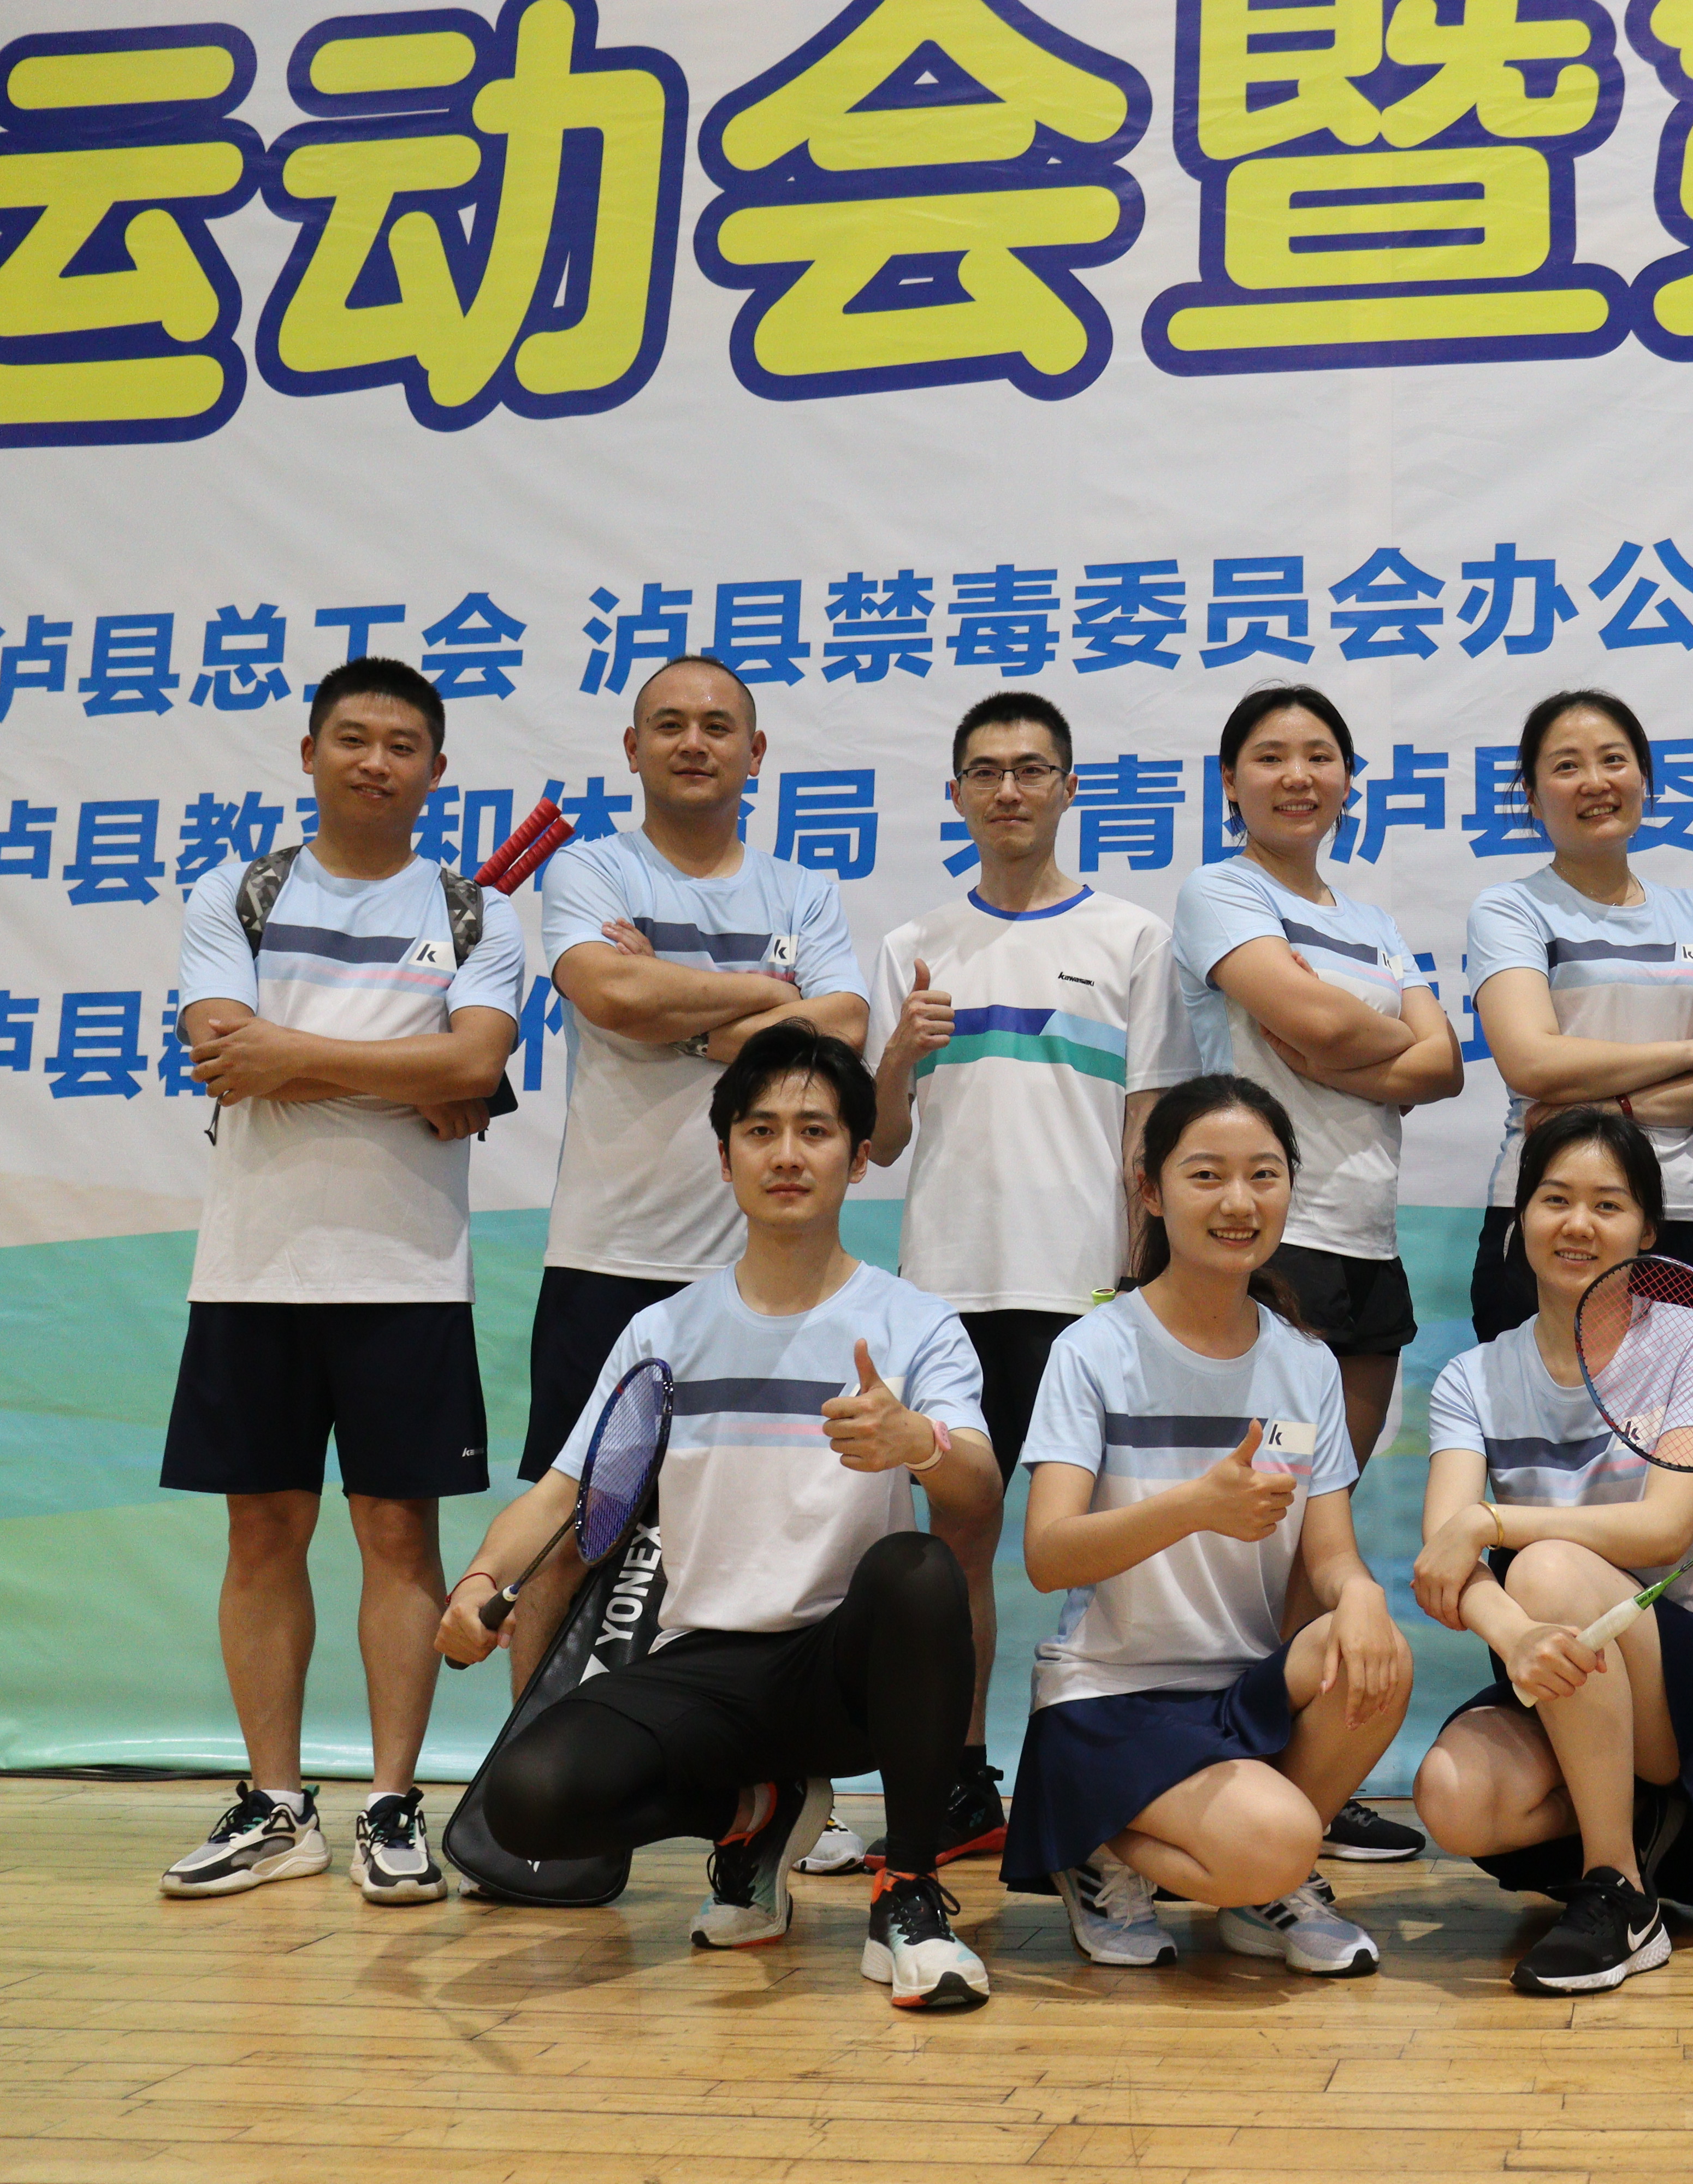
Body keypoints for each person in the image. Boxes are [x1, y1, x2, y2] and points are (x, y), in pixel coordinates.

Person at [445, 1023, 1004, 2010]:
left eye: (815, 1131)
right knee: (529, 1802)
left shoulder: (915, 1324)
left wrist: (918, 1442)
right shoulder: (663, 1333)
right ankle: (754, 1811)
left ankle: (910, 1894)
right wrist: (481, 1583)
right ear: (725, 1156)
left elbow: (981, 1495)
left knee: (920, 1571)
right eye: (761, 1131)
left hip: (845, 1668)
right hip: (704, 1666)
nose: (787, 1154)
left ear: (857, 1158)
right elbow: (563, 1495)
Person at [156, 657, 523, 1907]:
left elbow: (474, 1062)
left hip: (408, 1274)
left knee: (398, 1536)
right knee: (261, 1531)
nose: (377, 761)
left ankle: (393, 1801)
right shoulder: (238, 891)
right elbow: (223, 1053)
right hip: (252, 1268)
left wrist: (296, 1057)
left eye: (402, 744)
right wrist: (410, 1067)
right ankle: (276, 1804)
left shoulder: (477, 911)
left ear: (437, 769)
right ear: (309, 752)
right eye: (353, 738)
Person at [853, 689, 1194, 1873]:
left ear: (1069, 788)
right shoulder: (913, 945)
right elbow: (881, 1141)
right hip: (945, 1294)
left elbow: (1151, 1131)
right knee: (953, 1547)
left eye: (1033, 769)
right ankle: (957, 1782)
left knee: (1114, 1543)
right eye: (987, 771)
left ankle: (1130, 1788)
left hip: (1087, 1296)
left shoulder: (1134, 939)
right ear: (955, 794)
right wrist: (897, 1056)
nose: (1010, 790)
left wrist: (1139, 1284)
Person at [999, 1076, 1417, 1975]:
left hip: (1241, 1689)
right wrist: (1194, 1506)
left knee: (1377, 1653)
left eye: (1264, 1175)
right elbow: (1047, 1555)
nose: (1239, 1202)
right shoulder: (1093, 1351)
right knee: (1277, 1839)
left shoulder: (1305, 1365)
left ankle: (1261, 1884)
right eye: (1206, 1176)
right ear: (1150, 1191)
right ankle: (1098, 1842)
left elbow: (1332, 1555)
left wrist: (1361, 1596)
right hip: (1112, 1695)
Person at [513, 655, 866, 1693]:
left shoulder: (803, 888)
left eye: (718, 726)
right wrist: (770, 994)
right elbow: (608, 993)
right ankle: (534, 1771)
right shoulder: (591, 871)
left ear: (757, 753)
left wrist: (689, 1013)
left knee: (766, 1535)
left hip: (761, 1274)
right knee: (571, 1532)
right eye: (669, 725)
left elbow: (846, 1023)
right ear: (633, 750)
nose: (694, 743)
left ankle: (760, 1774)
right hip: (608, 1256)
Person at [1173, 684, 1461, 1863]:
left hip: (1366, 1246)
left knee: (1317, 1524)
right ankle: (1211, 1770)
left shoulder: (1377, 923)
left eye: (1320, 756)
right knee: (1249, 1524)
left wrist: (1341, 1042)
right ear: (1231, 781)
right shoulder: (1222, 892)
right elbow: (1347, 1031)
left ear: (1349, 779)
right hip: (1265, 1244)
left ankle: (1306, 1777)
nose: (1298, 776)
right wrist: (1364, 1038)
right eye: (1271, 756)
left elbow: (1444, 1066)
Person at [1408, 1110, 1693, 1994]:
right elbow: (1445, 1559)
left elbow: (1663, 1530)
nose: (1578, 1224)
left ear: (1647, 1230)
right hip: (1567, 1666)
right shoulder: (1473, 1379)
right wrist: (1513, 1635)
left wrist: (1494, 1524)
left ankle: (1618, 1890)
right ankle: (1640, 1834)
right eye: (1555, 1200)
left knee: (1543, 1566)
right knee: (1454, 1797)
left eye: (1608, 1206)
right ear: (1520, 1216)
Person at [1464, 690, 1693, 1340]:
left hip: (1679, 1213)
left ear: (1643, 779)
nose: (1595, 782)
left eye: (1613, 760)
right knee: (1536, 1403)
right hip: (1553, 1208)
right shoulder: (1511, 910)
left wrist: (1610, 1108)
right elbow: (1533, 1062)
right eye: (1567, 766)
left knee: (1683, 1406)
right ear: (1532, 796)